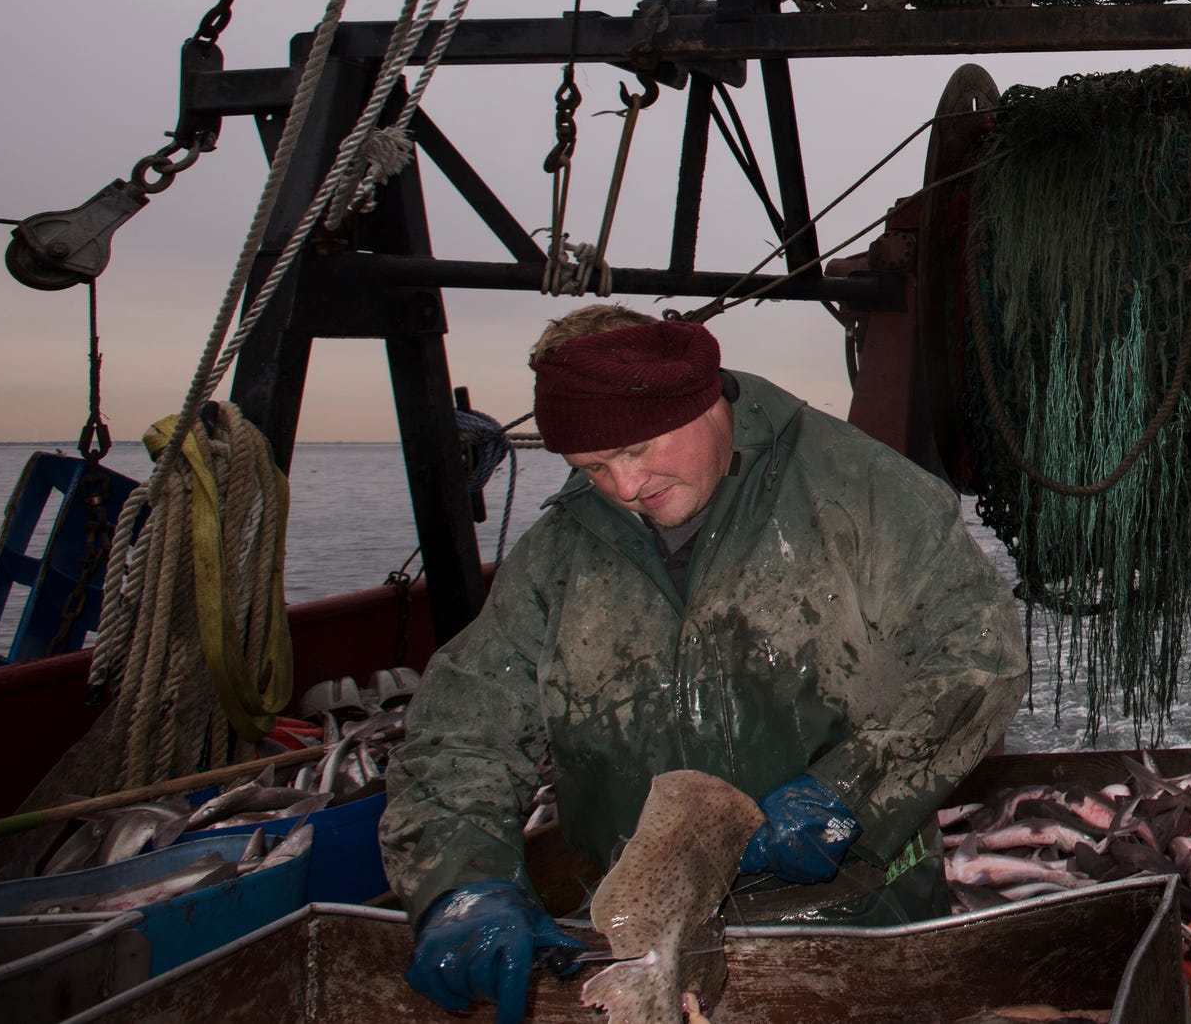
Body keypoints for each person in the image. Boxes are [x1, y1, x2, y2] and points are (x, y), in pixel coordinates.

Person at [380, 306, 1026, 1022]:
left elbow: (979, 654)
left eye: (643, 446)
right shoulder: (557, 554)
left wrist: (852, 792)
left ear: (704, 396)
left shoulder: (865, 490)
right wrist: (460, 881)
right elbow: (464, 733)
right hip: (642, 940)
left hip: (860, 914)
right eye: (592, 466)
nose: (626, 485)